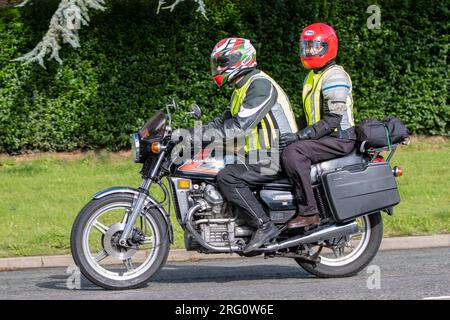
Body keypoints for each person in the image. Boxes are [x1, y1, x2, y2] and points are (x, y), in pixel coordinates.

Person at [202, 37, 298, 253]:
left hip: (278, 154)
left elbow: (237, 128)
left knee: (228, 176)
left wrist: (196, 137)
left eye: (223, 62)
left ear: (240, 60)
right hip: (259, 154)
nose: (218, 68)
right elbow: (221, 121)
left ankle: (264, 225)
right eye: (217, 63)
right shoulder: (242, 87)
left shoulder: (259, 85)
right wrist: (188, 134)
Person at [279, 23, 356, 228]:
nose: (310, 51)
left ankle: (309, 212)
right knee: (282, 147)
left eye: (315, 46)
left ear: (328, 47)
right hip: (326, 135)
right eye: (307, 46)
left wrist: (299, 137)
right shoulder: (313, 76)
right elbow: (310, 116)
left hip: (340, 137)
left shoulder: (335, 76)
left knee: (294, 153)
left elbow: (333, 120)